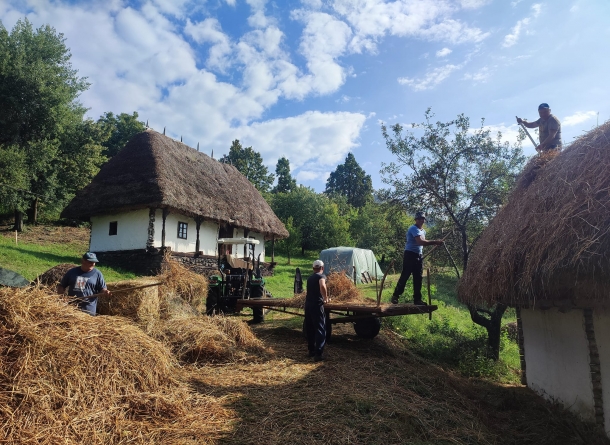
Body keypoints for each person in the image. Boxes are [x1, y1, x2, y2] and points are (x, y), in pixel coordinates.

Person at [391, 212, 443, 305]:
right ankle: (395, 296)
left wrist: (435, 243)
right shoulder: (413, 228)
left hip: (419, 255)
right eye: (419, 219)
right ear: (416, 220)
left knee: (418, 278)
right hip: (410, 254)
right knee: (405, 275)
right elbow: (420, 242)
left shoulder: (423, 231)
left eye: (422, 219)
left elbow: (423, 243)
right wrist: (435, 241)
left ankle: (417, 300)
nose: (421, 220)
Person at [305, 259, 329, 362]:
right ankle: (318, 354)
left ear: (313, 268)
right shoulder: (321, 276)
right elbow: (322, 285)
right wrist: (325, 298)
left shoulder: (310, 278)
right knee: (320, 328)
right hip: (316, 305)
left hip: (308, 305)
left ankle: (311, 351)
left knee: (310, 328)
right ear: (322, 268)